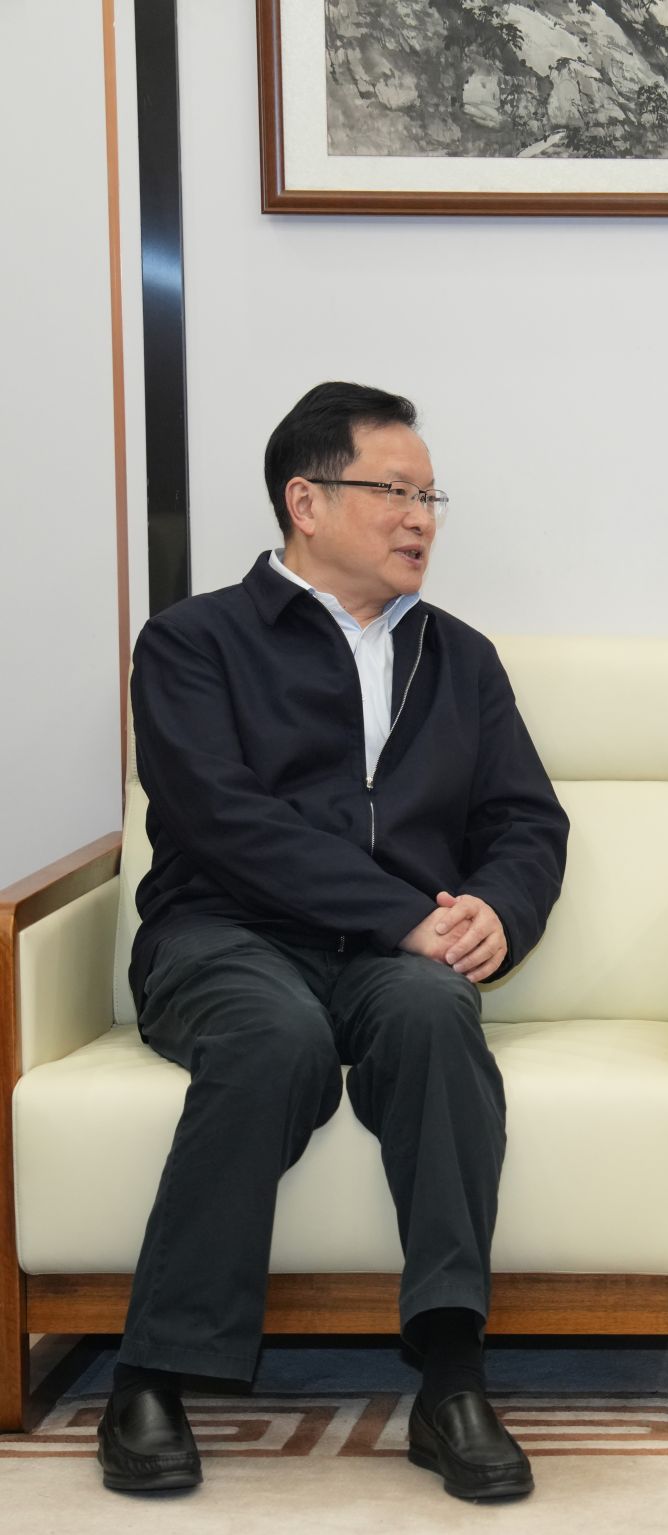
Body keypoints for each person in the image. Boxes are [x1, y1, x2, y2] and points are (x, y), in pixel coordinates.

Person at [100, 382, 570, 1501]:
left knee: (436, 1014)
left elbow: (526, 820)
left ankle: (450, 1377)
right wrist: (401, 910)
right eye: (394, 491)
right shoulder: (192, 642)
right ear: (304, 501)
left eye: (430, 497)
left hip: (393, 960)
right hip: (224, 931)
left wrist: (494, 910)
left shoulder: (459, 657)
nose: (420, 519)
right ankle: (152, 1372)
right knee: (275, 1036)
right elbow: (223, 819)